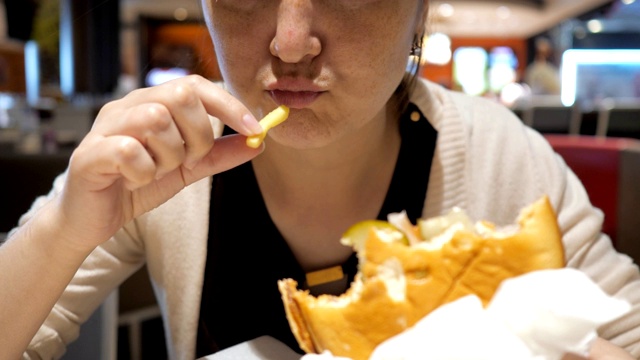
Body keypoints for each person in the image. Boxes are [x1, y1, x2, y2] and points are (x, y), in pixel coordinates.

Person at [1, 1, 639, 359]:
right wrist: (64, 229)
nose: (291, 43)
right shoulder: (166, 156)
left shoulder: (505, 161)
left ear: (419, 12)